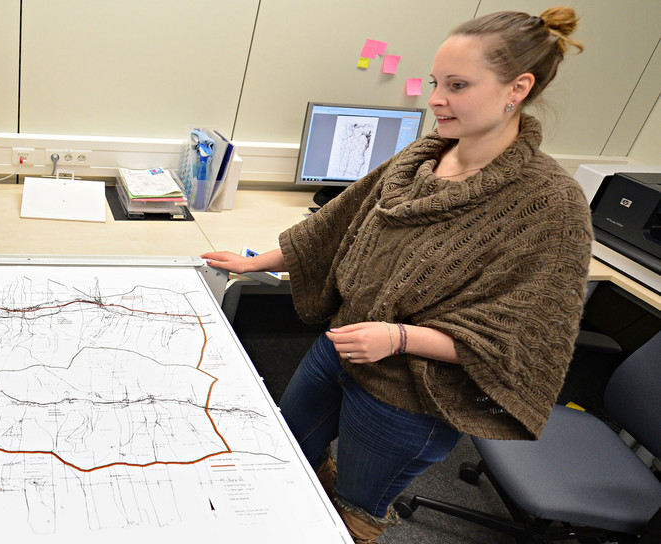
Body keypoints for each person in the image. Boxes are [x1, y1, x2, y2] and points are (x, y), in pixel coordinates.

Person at [202, 7, 591, 543]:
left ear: (517, 89)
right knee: (283, 452)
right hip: (339, 349)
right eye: (435, 83)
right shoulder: (420, 158)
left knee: (355, 509)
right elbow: (333, 227)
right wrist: (255, 263)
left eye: (457, 85)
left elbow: (519, 338)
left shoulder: (549, 204)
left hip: (409, 396)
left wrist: (399, 337)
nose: (436, 99)